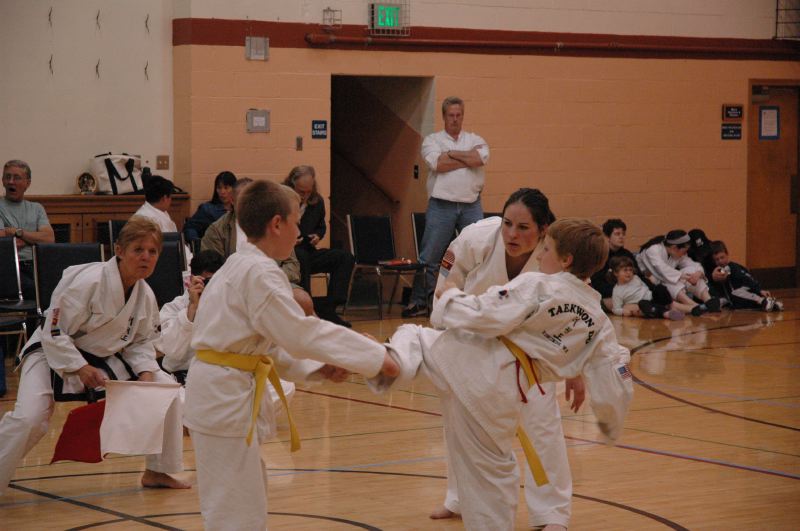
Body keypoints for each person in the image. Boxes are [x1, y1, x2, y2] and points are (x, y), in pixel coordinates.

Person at [372, 218, 633, 530]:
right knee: (493, 467)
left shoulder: (537, 285)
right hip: (514, 390)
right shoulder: (599, 319)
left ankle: (385, 363)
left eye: (547, 249)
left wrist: (451, 296)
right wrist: (610, 418)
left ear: (566, 259)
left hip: (478, 365)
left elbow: (486, 314)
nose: (539, 255)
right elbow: (615, 372)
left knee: (413, 336)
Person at [184, 179, 399, 530]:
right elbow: (301, 333)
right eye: (296, 222)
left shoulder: (242, 265)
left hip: (221, 394)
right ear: (277, 224)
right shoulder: (258, 272)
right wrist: (375, 356)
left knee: (241, 506)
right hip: (223, 398)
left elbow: (267, 347)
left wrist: (319, 367)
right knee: (236, 513)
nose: (299, 232)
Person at [0, 217, 189, 494]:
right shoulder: (88, 281)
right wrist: (79, 366)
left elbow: (141, 341)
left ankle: (157, 471)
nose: (146, 257)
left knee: (165, 391)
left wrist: (146, 373)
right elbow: (54, 330)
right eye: (138, 249)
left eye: (152, 251)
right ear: (119, 250)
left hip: (102, 357)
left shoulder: (144, 294)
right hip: (51, 351)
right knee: (30, 418)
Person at [427, 188, 578, 530]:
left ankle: (552, 513)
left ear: (543, 229)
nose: (512, 234)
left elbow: (572, 312)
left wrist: (575, 367)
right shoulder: (476, 238)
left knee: (542, 424)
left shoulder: (556, 254)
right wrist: (443, 344)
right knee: (460, 424)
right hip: (470, 342)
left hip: (529, 350)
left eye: (523, 227)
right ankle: (458, 497)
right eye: (507, 223)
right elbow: (445, 290)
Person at [403, 96, 490, 317]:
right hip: (441, 205)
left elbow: (479, 159)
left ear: (463, 116)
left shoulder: (475, 139)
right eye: (451, 115)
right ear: (444, 116)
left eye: (459, 115)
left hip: (471, 204)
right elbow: (438, 164)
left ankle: (476, 301)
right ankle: (422, 301)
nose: (455, 119)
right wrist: (466, 159)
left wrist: (451, 153)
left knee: (479, 253)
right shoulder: (432, 140)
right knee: (430, 257)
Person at [202, 177, 314, 316]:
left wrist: (272, 279)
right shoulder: (218, 230)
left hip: (278, 282)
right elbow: (210, 270)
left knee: (303, 300)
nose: (249, 207)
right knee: (299, 303)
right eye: (244, 202)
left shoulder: (270, 226)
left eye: (254, 202)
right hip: (236, 289)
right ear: (233, 201)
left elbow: (292, 266)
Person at [283, 165, 354, 327]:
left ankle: (330, 306)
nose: (305, 196)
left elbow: (321, 226)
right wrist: (290, 239)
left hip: (308, 248)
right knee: (301, 257)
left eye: (308, 192)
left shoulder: (317, 201)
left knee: (344, 257)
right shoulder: (282, 201)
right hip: (289, 253)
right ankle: (307, 306)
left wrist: (318, 236)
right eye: (301, 192)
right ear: (292, 185)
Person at [156, 250, 226, 378]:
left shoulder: (230, 305)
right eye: (209, 281)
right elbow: (170, 350)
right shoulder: (174, 307)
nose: (214, 288)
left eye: (218, 281)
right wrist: (192, 308)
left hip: (220, 374)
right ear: (193, 279)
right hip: (182, 375)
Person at [1, 159, 55, 299]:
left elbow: (49, 239)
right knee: (35, 290)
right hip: (10, 267)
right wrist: (33, 240)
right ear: (2, 181)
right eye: (7, 177)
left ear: (27, 183)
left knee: (62, 285)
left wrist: (18, 232)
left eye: (17, 178)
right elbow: (5, 245)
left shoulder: (36, 208)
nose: (11, 182)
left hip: (38, 264)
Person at [637, 229, 721, 316]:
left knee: (691, 270)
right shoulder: (653, 249)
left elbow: (692, 264)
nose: (685, 254)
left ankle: (708, 301)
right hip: (648, 283)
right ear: (674, 248)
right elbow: (662, 270)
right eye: (684, 251)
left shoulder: (675, 252)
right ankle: (694, 305)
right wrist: (684, 276)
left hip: (663, 280)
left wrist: (698, 273)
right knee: (669, 281)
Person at [710, 240, 784, 311]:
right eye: (717, 259)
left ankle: (763, 301)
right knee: (736, 302)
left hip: (746, 291)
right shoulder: (733, 267)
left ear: (727, 255)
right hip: (745, 294)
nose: (720, 261)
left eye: (722, 257)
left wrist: (759, 290)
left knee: (734, 294)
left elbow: (746, 278)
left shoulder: (729, 268)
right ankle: (772, 304)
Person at [607, 255, 689, 320]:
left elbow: (645, 288)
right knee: (643, 304)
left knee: (660, 288)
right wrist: (623, 311)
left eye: (630, 270)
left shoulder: (635, 278)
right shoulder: (617, 291)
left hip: (653, 298)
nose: (629, 272)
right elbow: (616, 309)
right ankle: (666, 313)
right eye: (625, 270)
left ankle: (671, 306)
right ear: (616, 273)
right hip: (644, 305)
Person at [590, 218, 638, 311]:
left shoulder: (627, 254)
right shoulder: (600, 255)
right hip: (608, 295)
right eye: (617, 234)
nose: (621, 237)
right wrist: (620, 291)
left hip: (629, 292)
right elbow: (597, 283)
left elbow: (638, 275)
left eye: (623, 234)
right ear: (607, 237)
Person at [183, 170, 236, 246]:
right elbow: (189, 228)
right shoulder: (207, 209)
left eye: (226, 188)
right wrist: (197, 243)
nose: (222, 192)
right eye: (219, 188)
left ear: (234, 188)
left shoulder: (240, 209)